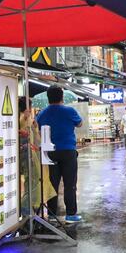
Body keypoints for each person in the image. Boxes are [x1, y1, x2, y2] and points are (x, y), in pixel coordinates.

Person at [36, 86, 83, 224]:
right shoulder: (69, 110)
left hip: (50, 152)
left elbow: (39, 130)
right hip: (68, 151)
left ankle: (52, 214)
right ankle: (70, 214)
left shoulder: (42, 114)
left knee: (53, 183)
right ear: (62, 96)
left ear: (47, 97)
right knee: (70, 183)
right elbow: (80, 123)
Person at [19, 97, 56, 215]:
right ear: (27, 106)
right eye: (30, 106)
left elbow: (35, 135)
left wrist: (35, 126)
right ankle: (25, 209)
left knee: (34, 181)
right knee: (33, 181)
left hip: (33, 154)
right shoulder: (23, 117)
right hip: (28, 155)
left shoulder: (28, 118)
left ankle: (31, 209)